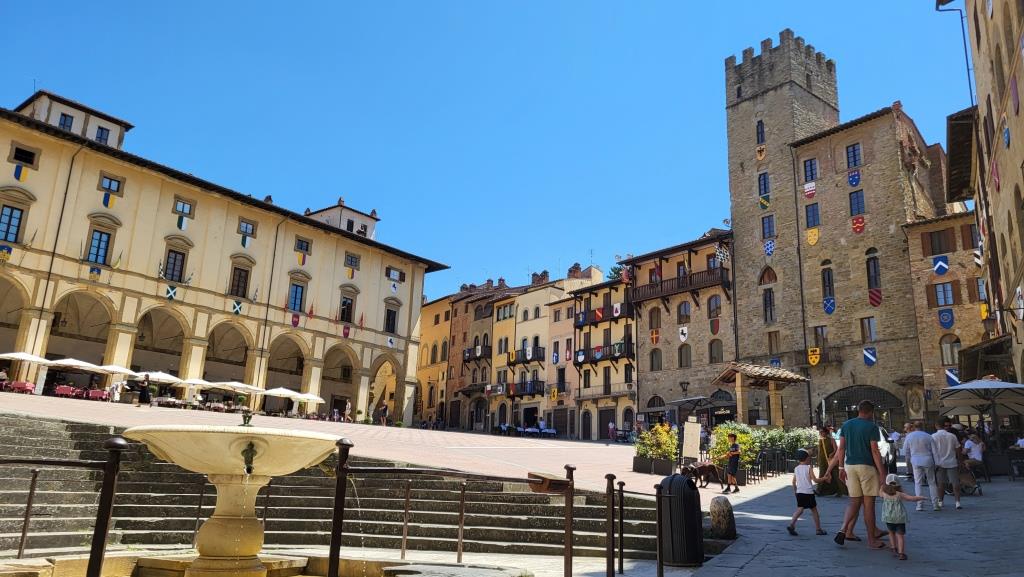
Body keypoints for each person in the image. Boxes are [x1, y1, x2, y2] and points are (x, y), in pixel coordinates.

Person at [824, 400, 888, 549]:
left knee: (854, 502)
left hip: (850, 467)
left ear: (859, 410)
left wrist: (841, 467)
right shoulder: (872, 427)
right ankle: (872, 540)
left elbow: (841, 449)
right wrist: (882, 473)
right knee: (869, 506)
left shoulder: (846, 425)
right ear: (871, 412)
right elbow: (875, 451)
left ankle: (843, 529)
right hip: (866, 467)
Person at [880, 473, 926, 560]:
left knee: (891, 533)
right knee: (900, 535)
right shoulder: (899, 494)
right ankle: (901, 553)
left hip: (888, 517)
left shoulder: (884, 494)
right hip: (899, 518)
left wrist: (882, 486)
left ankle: (893, 548)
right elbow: (911, 498)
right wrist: (921, 497)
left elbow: (880, 492)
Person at [786, 449, 826, 536]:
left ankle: (792, 524)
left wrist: (795, 491)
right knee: (814, 510)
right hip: (808, 492)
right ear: (807, 458)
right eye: (809, 457)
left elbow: (793, 482)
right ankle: (818, 529)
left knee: (800, 509)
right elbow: (815, 480)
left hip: (800, 492)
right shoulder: (808, 468)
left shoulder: (796, 468)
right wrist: (824, 478)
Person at [901, 421, 938, 511]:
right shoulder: (928, 436)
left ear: (913, 427)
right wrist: (937, 462)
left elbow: (905, 450)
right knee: (932, 482)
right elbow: (935, 451)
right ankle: (935, 504)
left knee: (918, 483)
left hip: (916, 460)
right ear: (923, 426)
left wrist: (910, 459)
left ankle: (919, 504)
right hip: (928, 460)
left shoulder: (909, 436)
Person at [932, 419, 962, 510]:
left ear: (936, 425)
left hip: (939, 463)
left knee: (940, 483)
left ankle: (940, 501)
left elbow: (932, 450)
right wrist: (960, 460)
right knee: (955, 483)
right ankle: (957, 502)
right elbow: (958, 449)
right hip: (952, 461)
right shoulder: (952, 436)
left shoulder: (933, 436)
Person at [816, 425, 845, 496]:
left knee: (835, 474)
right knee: (822, 473)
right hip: (822, 460)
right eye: (820, 432)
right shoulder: (820, 440)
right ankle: (819, 490)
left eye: (822, 432)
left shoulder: (832, 439)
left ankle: (840, 490)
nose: (821, 433)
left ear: (826, 432)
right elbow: (819, 451)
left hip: (831, 460)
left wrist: (832, 454)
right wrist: (818, 460)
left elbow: (836, 449)